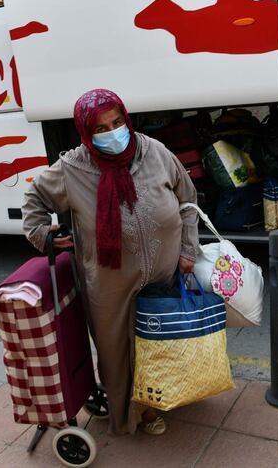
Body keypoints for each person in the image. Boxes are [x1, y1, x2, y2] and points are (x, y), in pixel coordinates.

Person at [22, 89, 199, 436]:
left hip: (163, 269)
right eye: (101, 128)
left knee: (162, 342)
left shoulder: (155, 151)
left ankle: (163, 396)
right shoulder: (73, 168)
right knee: (116, 352)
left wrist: (188, 250)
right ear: (86, 133)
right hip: (108, 281)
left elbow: (187, 199)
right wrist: (43, 235)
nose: (113, 133)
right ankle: (132, 414)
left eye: (117, 122)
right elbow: (35, 198)